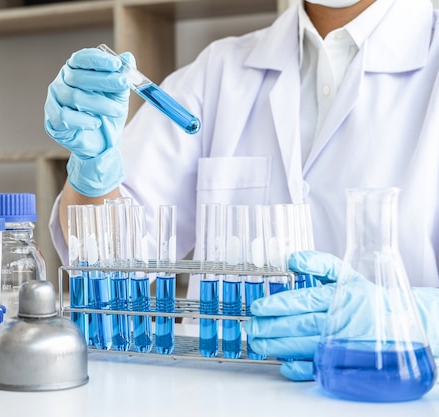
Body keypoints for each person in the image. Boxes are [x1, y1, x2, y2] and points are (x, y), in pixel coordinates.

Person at [44, 0, 439, 380]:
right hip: (222, 390)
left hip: (395, 390)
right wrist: (93, 170)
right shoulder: (219, 70)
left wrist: (403, 318)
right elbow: (114, 263)